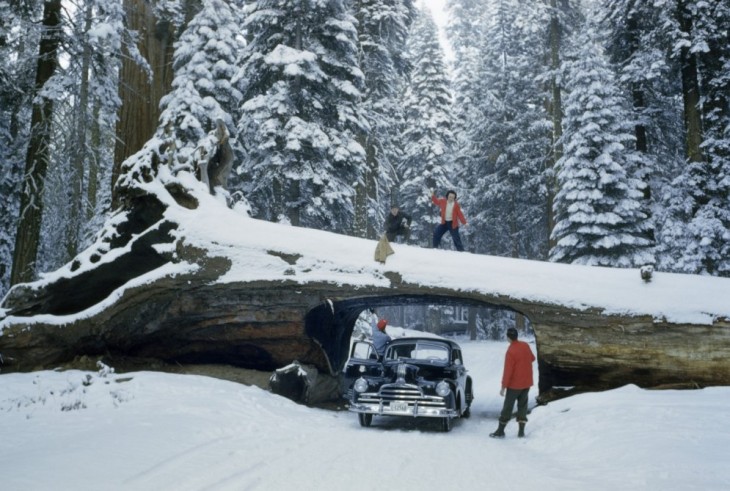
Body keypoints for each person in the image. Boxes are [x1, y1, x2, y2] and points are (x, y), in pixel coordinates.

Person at [490, 327, 536, 439]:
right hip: (526, 383)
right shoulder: (525, 345)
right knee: (522, 406)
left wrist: (503, 387)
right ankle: (521, 432)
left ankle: (500, 431)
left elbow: (508, 371)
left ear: (508, 337)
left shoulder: (511, 351)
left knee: (508, 407)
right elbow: (532, 358)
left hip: (514, 385)